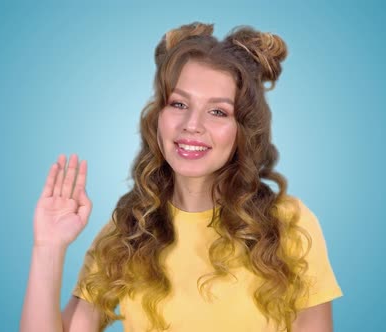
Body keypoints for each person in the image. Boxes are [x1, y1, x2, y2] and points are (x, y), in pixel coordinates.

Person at [20, 22, 342, 332]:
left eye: (218, 111)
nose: (192, 124)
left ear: (243, 131)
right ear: (157, 116)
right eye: (179, 103)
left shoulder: (288, 224)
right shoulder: (129, 231)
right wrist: (48, 246)